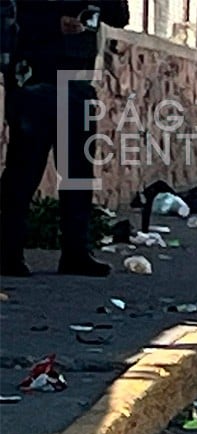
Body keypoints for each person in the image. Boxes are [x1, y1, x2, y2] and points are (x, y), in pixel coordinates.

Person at [0, 0, 130, 277]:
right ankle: (9, 252)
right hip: (36, 75)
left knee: (78, 172)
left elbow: (119, 16)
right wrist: (53, 24)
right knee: (24, 170)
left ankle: (76, 252)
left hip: (77, 77)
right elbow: (12, 13)